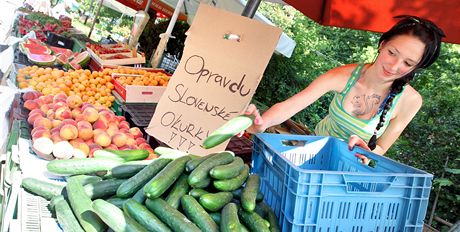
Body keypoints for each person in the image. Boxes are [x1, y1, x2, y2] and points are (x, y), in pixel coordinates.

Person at [244, 15, 445, 155]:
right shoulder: (343, 76)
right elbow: (292, 105)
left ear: (416, 68)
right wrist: (262, 122)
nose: (394, 66)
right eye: (392, 53)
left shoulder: (411, 101)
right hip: (308, 151)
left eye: (408, 63)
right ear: (382, 45)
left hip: (347, 171)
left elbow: (381, 148)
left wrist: (367, 153)